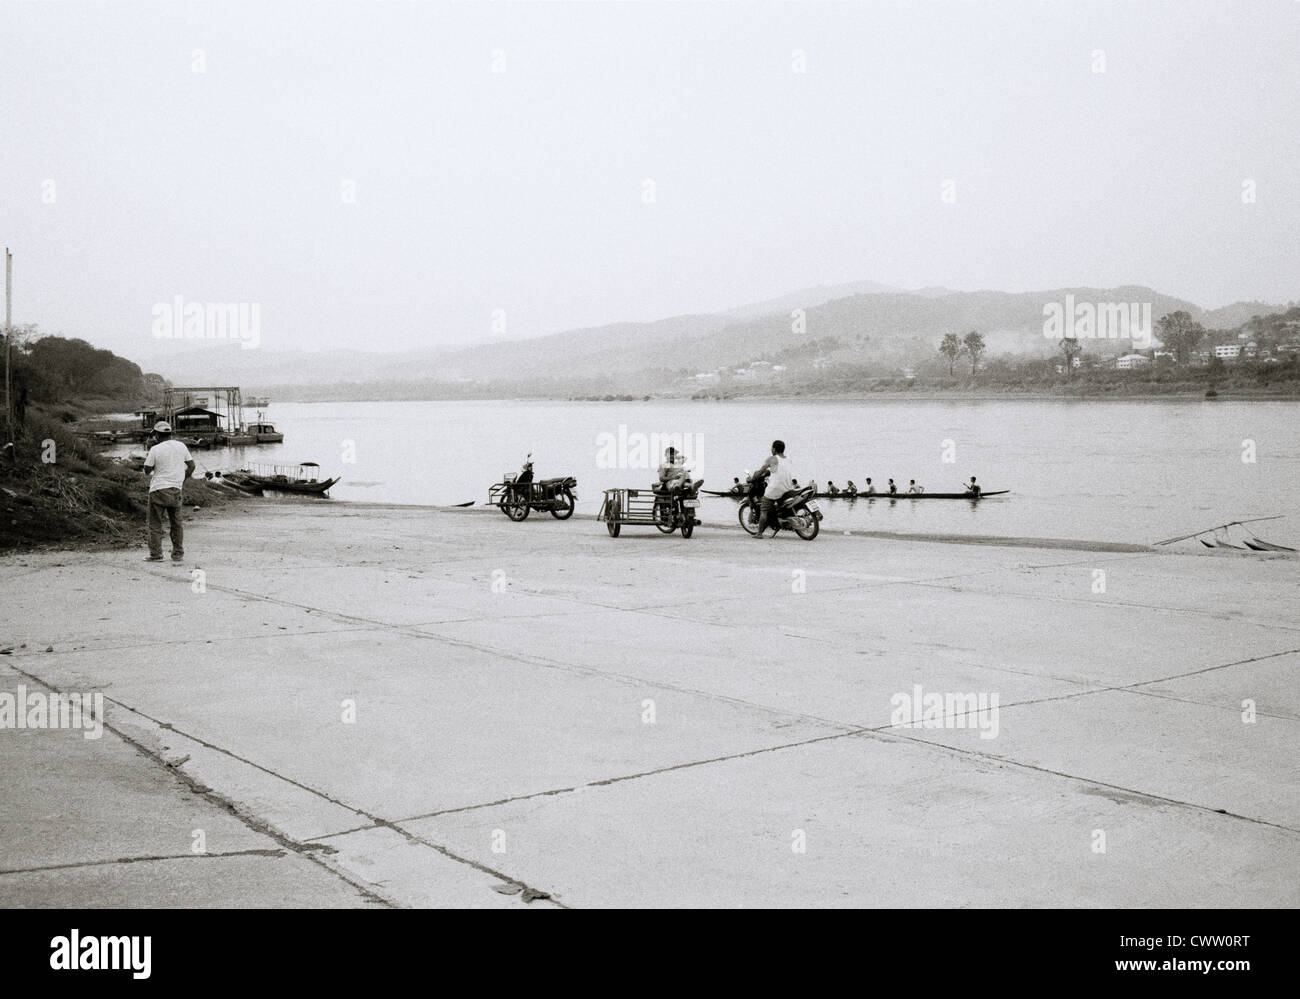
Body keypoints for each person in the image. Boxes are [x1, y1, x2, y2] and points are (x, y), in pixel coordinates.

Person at [142, 421, 195, 562]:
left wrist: (150, 451)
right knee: (176, 524)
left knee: (155, 524)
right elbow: (191, 466)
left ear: (157, 435)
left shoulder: (155, 449)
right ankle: (178, 554)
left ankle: (156, 554)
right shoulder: (181, 446)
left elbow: (147, 470)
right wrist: (182, 480)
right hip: (176, 489)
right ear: (170, 433)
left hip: (158, 489)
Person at [751, 440, 795, 539]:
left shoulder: (772, 458)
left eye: (772, 448)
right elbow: (778, 471)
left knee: (764, 509)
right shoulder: (789, 459)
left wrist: (753, 478)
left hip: (775, 489)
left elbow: (761, 470)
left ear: (774, 449)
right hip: (788, 488)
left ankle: (759, 533)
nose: (771, 449)